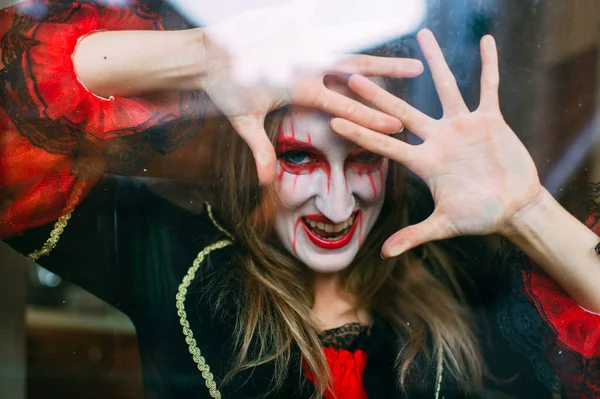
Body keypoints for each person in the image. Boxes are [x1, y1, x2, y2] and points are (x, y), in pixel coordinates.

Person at [2, 2, 599, 399]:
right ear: (255, 151)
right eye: (299, 157)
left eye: (364, 158)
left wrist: (527, 211)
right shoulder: (181, 267)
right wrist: (206, 58)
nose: (338, 206)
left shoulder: (461, 278)